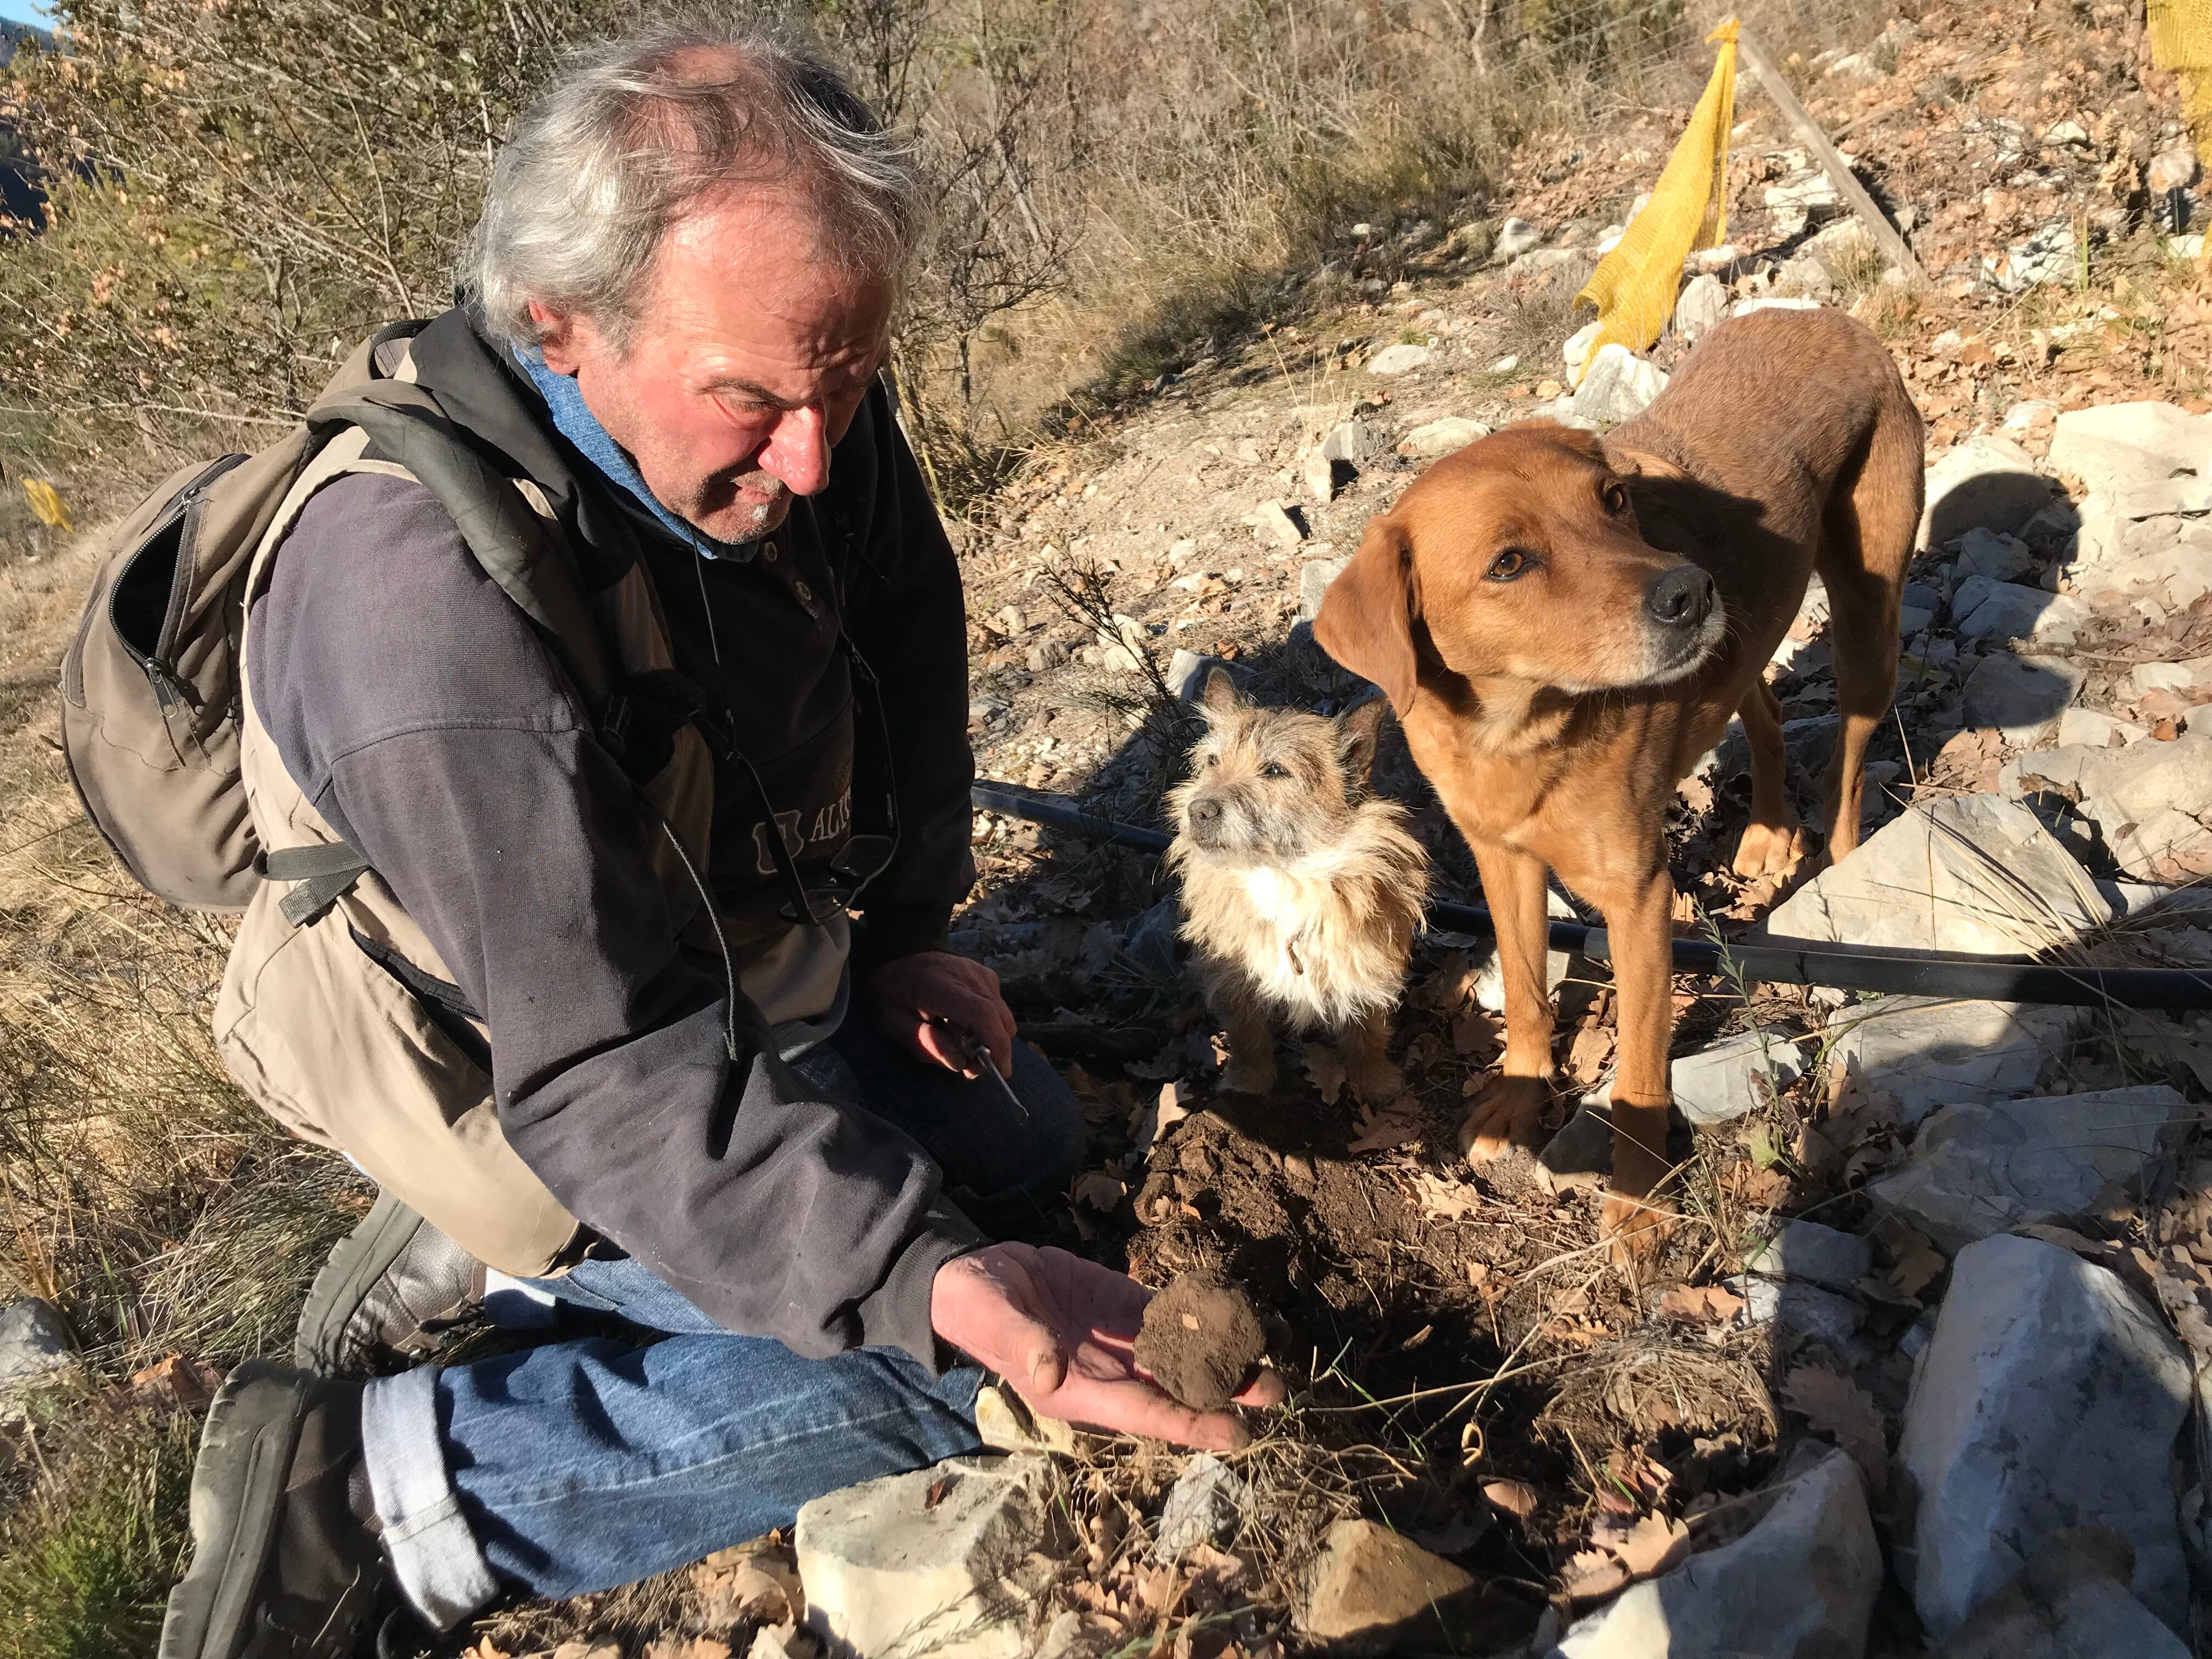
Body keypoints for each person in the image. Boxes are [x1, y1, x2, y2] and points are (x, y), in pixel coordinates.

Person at [158, 21, 1280, 1659]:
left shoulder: (796, 397)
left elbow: (904, 624)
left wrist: (905, 929)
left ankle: (585, 1272)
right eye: (754, 402)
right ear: (559, 320)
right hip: (511, 1054)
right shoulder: (417, 613)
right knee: (937, 1360)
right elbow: (600, 1062)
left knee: (1021, 1149)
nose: (816, 461)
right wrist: (921, 1288)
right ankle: (396, 1493)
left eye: (846, 387)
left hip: (723, 970)